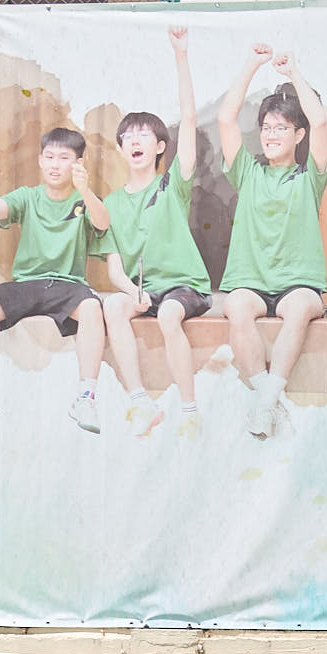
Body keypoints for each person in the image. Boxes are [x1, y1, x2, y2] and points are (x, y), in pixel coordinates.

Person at [100, 26, 211, 440]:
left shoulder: (172, 185)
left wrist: (181, 56)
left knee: (167, 315)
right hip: (142, 290)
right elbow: (114, 270)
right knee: (113, 306)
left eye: (144, 135)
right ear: (120, 149)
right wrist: (133, 292)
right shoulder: (111, 203)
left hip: (184, 288)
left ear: (161, 146)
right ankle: (140, 402)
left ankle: (190, 409)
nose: (135, 141)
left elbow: (189, 118)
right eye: (127, 137)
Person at [0, 128, 113, 434]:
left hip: (68, 284)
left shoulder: (84, 199)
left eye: (64, 158)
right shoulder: (28, 196)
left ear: (78, 163)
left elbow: (103, 222)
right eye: (49, 157)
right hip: (27, 283)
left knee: (92, 308)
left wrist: (85, 189)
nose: (55, 164)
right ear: (40, 161)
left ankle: (86, 397)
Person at [216, 45, 327, 439]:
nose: (271, 134)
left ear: (298, 135)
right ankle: (268, 399)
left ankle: (265, 401)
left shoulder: (310, 176)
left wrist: (294, 72)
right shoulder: (248, 172)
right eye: (266, 128)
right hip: (250, 281)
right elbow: (226, 118)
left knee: (298, 310)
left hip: (298, 283)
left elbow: (321, 122)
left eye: (281, 128)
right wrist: (252, 64)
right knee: (235, 306)